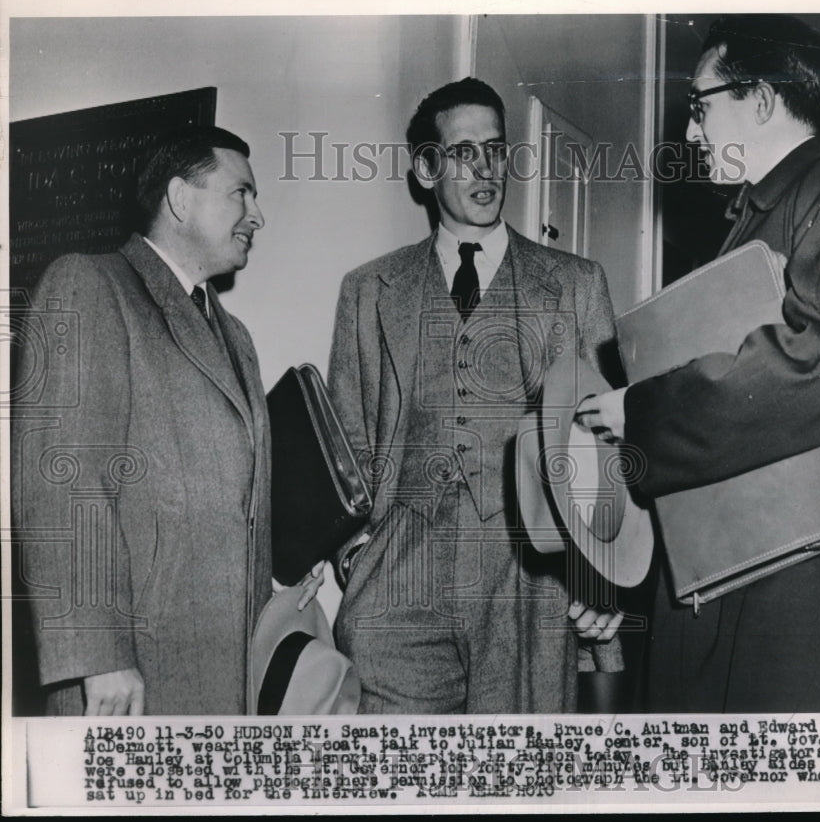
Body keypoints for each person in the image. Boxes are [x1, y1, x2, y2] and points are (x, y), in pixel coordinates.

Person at [578, 15, 820, 712]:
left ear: (761, 98)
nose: (691, 132)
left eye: (701, 106)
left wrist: (641, 413)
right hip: (744, 576)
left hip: (802, 595)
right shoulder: (751, 222)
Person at [328, 77, 624, 714]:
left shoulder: (575, 285)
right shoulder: (370, 290)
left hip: (530, 580)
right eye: (465, 153)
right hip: (400, 583)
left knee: (516, 784)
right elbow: (346, 440)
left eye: (497, 150)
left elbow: (609, 447)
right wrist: (355, 553)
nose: (487, 169)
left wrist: (601, 577)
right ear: (427, 167)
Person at [13, 125, 291, 715]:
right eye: (241, 193)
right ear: (180, 199)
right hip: (131, 675)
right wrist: (97, 654)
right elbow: (62, 480)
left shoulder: (234, 335)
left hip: (228, 674)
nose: (257, 216)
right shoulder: (89, 284)